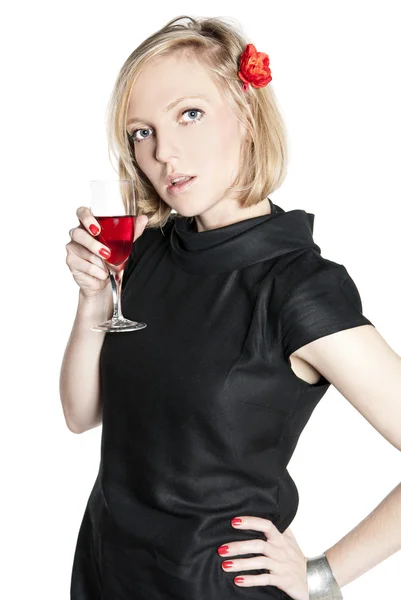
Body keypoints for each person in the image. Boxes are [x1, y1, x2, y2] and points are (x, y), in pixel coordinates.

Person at [60, 14, 401, 600]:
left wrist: (322, 574)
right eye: (141, 132)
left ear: (246, 116)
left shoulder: (298, 287)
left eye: (189, 114)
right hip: (102, 576)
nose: (164, 151)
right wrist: (95, 298)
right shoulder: (145, 254)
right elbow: (81, 413)